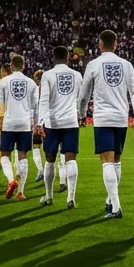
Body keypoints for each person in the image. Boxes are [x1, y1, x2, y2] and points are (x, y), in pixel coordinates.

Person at [78, 29, 134, 219]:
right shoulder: (126, 65)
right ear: (116, 44)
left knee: (107, 162)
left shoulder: (94, 65)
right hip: (121, 119)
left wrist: (81, 114)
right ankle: (110, 200)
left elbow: (84, 93)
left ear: (100, 44)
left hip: (103, 118)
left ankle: (115, 207)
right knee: (116, 162)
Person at [39, 44, 82, 208]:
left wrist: (39, 122)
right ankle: (70, 198)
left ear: (53, 57)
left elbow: (44, 99)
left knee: (50, 159)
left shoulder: (48, 75)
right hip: (71, 121)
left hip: (52, 122)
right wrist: (80, 114)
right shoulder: (77, 75)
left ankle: (49, 196)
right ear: (68, 58)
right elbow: (80, 97)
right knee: (71, 158)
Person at [0, 54, 39, 200]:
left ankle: (11, 180)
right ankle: (21, 192)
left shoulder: (5, 81)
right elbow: (36, 106)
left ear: (11, 66)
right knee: (23, 156)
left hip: (9, 123)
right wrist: (37, 124)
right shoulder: (31, 83)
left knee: (5, 154)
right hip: (25, 124)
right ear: (24, 66)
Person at [31, 69, 47, 184]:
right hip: (48, 123)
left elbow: (32, 107)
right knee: (48, 149)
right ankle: (48, 171)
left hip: (37, 123)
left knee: (36, 146)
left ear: (36, 79)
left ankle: (40, 170)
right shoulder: (49, 90)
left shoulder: (34, 90)